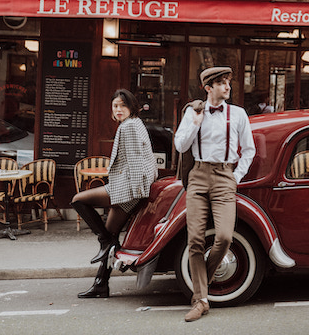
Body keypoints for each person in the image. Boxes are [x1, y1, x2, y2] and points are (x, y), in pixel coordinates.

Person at [174, 66, 255, 322]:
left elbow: (249, 150)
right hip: (197, 176)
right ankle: (201, 300)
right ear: (208, 88)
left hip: (224, 177)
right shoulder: (193, 112)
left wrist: (235, 177)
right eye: (221, 83)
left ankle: (201, 287)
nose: (227, 87)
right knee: (195, 240)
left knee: (223, 236)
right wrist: (195, 125)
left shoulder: (238, 114)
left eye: (228, 82)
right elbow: (179, 145)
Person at [71, 89, 158, 299]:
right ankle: (101, 283)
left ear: (131, 106)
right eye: (115, 106)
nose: (118, 110)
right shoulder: (135, 123)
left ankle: (105, 243)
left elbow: (137, 162)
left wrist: (136, 193)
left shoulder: (128, 127)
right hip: (127, 186)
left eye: (122, 105)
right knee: (110, 233)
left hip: (128, 190)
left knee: (78, 200)